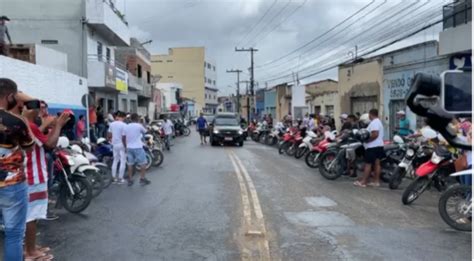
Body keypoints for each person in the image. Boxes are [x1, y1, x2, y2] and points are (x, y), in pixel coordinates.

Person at [22, 101, 69, 261]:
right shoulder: (30, 125)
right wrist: (58, 125)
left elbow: (38, 138)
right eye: (41, 108)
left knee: (31, 215)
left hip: (28, 175)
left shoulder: (26, 125)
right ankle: (30, 252)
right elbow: (50, 143)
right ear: (30, 110)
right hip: (33, 176)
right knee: (32, 215)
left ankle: (31, 247)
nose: (44, 112)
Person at [0, 78, 35, 261]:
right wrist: (26, 120)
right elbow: (29, 147)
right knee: (13, 235)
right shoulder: (15, 121)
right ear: (10, 96)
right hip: (11, 184)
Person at [354, 109, 384, 188]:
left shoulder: (374, 122)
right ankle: (376, 181)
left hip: (372, 147)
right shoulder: (378, 122)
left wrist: (367, 140)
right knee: (377, 164)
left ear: (370, 114)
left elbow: (375, 134)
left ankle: (363, 182)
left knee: (368, 164)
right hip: (379, 146)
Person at [124, 113, 150, 186]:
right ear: (137, 119)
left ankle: (130, 179)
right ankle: (142, 178)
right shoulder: (139, 126)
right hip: (138, 147)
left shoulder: (127, 126)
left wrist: (125, 146)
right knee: (143, 162)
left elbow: (124, 137)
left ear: (131, 119)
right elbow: (146, 131)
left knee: (130, 164)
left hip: (129, 147)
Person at [108, 111, 127, 184]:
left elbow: (109, 135)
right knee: (123, 161)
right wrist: (125, 146)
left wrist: (111, 140)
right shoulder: (124, 125)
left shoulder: (112, 124)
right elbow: (124, 137)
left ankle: (114, 178)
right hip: (121, 144)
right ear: (123, 117)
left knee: (115, 160)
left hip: (114, 144)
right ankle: (120, 178)